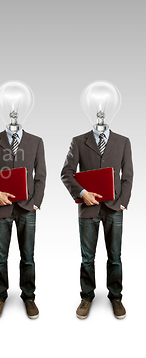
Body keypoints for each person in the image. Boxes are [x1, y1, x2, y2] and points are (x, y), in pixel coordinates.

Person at [61, 127, 132, 319]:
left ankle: (116, 297)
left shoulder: (123, 141)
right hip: (88, 208)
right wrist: (82, 193)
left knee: (115, 256)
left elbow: (127, 176)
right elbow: (66, 173)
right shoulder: (78, 141)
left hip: (114, 207)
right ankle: (86, 296)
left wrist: (123, 202)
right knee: (87, 257)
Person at [0, 128, 46, 319]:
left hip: (27, 208)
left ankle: (28, 297)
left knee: (28, 256)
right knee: (0, 257)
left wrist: (35, 202)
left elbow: (40, 175)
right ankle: (0, 296)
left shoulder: (36, 141)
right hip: (1, 208)